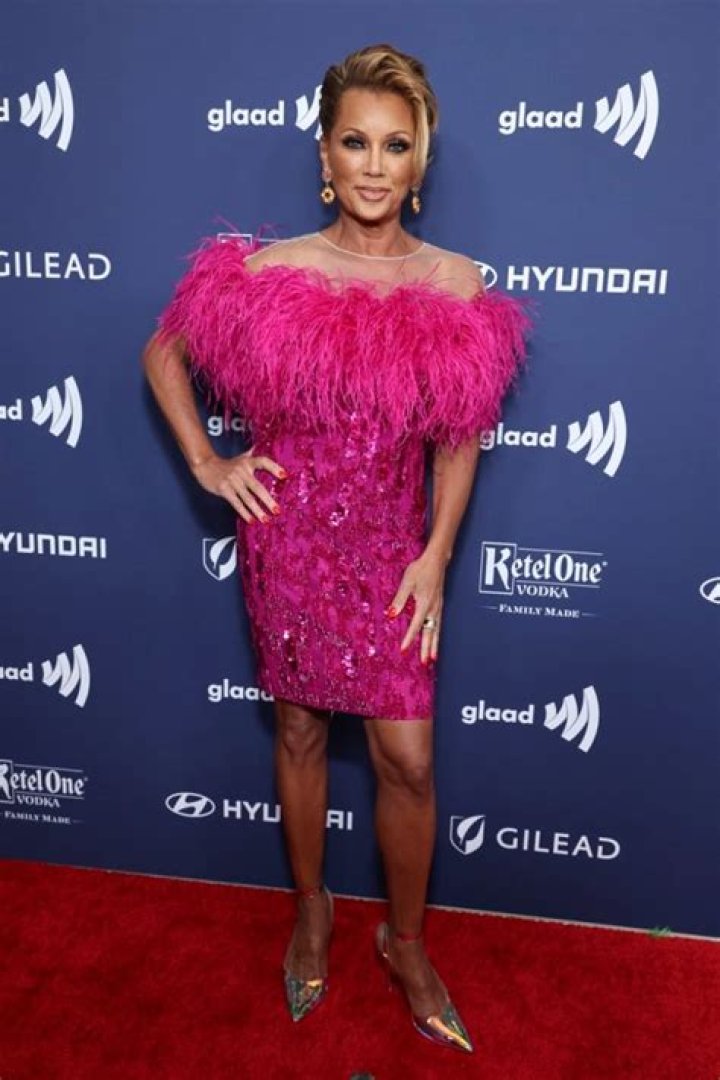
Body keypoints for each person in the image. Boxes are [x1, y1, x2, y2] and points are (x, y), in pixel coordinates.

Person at [142, 43, 532, 1056]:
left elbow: (459, 439)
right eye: (355, 142)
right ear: (324, 154)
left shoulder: (452, 283)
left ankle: (405, 942)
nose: (373, 165)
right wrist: (210, 464)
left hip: (394, 555)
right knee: (302, 730)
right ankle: (312, 909)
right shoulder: (271, 273)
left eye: (395, 146)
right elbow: (163, 352)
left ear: (419, 162)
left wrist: (435, 556)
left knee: (409, 760)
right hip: (292, 547)